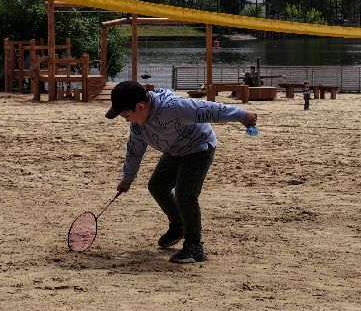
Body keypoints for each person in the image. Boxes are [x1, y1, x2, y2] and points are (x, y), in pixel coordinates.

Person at [105, 80, 257, 265]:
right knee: (157, 185)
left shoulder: (173, 108)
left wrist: (242, 116)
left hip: (199, 147)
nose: (126, 119)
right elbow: (134, 151)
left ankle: (194, 246)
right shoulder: (138, 127)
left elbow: (207, 109)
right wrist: (127, 178)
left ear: (140, 106)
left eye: (126, 115)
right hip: (175, 150)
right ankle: (178, 225)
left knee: (186, 195)